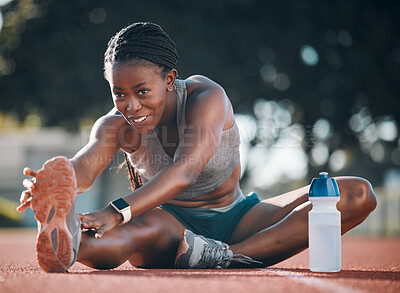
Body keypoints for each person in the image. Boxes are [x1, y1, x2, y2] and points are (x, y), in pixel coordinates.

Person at [17, 22, 377, 273]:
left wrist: (117, 209)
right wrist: (55, 180)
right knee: (129, 234)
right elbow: (84, 167)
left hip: (239, 218)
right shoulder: (115, 125)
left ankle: (226, 256)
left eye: (142, 91)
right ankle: (67, 247)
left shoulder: (206, 98)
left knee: (357, 194)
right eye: (119, 93)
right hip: (169, 225)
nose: (130, 105)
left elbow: (185, 171)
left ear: (169, 79)